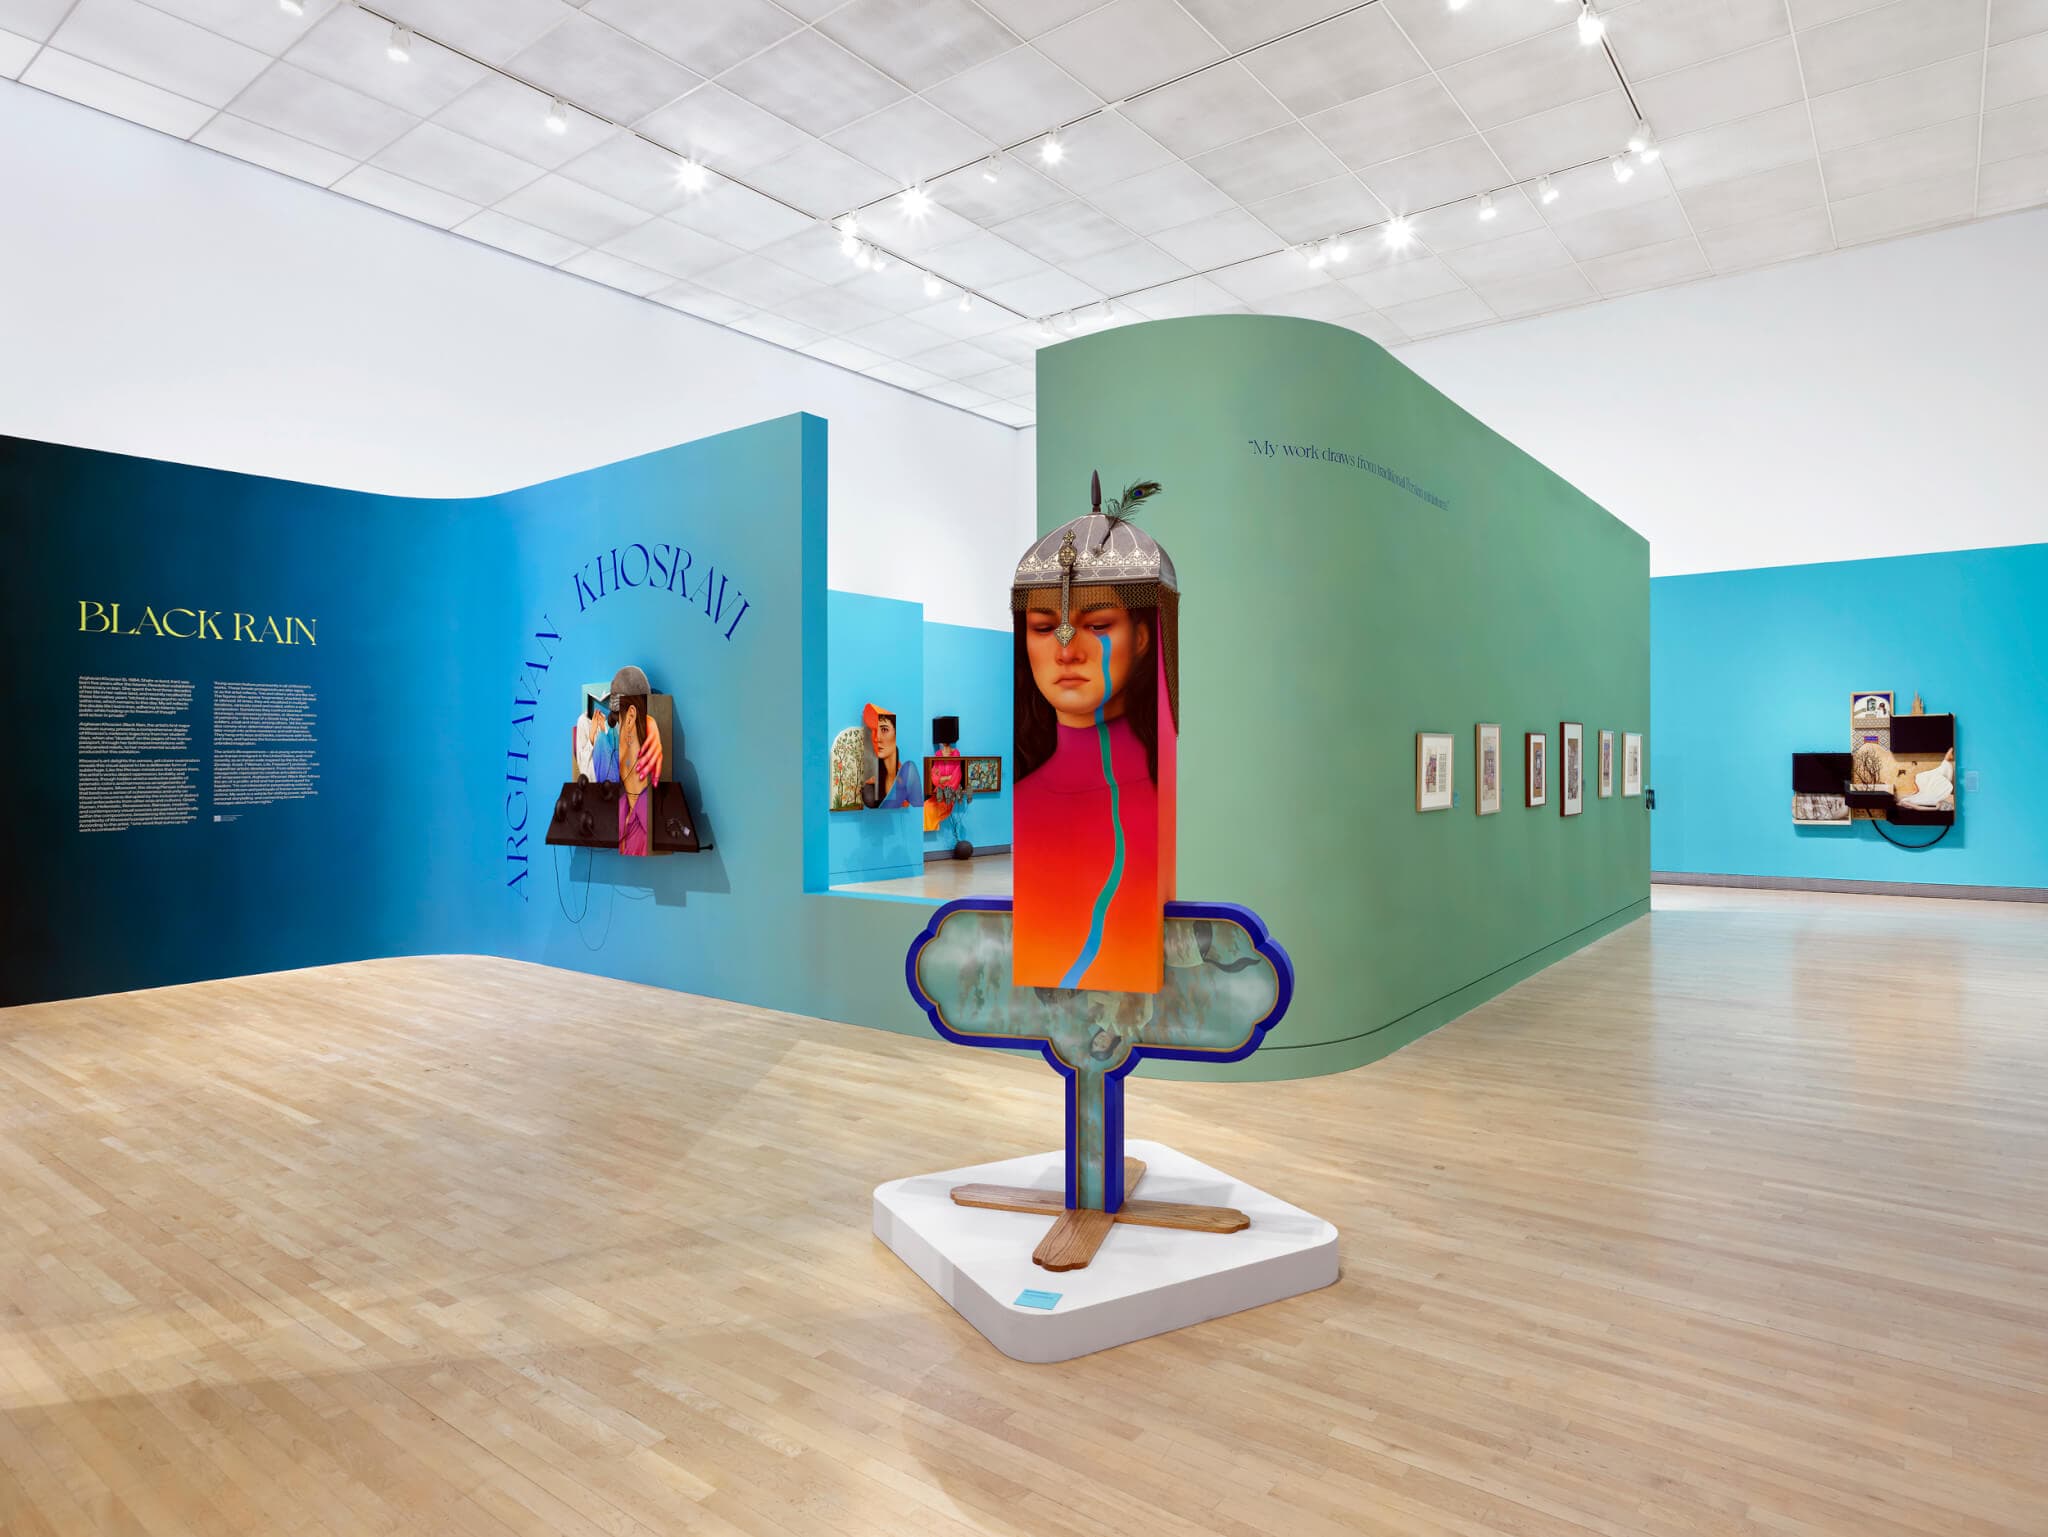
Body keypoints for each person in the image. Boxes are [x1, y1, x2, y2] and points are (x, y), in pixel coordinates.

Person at [1010, 475, 1176, 994]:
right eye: (1044, 628)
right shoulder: (1025, 798)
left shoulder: (1155, 792)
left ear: (1144, 635)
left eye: (1098, 624)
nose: (1066, 651)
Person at [859, 703, 921, 810]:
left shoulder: (904, 772)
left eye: (884, 730)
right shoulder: (877, 776)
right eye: (875, 731)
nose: (876, 738)